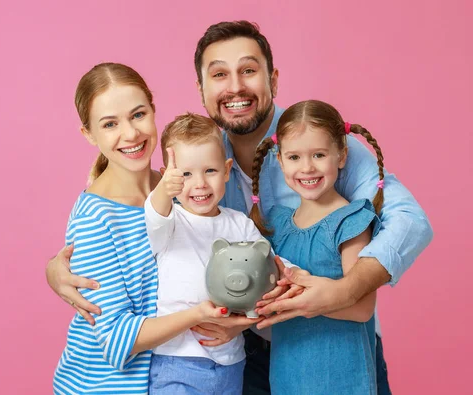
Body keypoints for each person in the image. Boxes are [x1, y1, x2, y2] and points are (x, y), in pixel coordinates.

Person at [47, 21, 433, 394]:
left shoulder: (315, 142)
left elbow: (408, 220)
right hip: (227, 357)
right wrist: (55, 269)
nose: (235, 87)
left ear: (273, 79)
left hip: (329, 350)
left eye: (248, 70)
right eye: (219, 75)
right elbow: (132, 238)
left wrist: (345, 291)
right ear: (200, 90)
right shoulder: (194, 166)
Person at [53, 62, 231, 395]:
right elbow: (117, 340)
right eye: (110, 124)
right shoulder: (96, 218)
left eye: (138, 115)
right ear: (89, 134)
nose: (131, 134)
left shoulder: (179, 187)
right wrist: (197, 315)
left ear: (153, 109)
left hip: (175, 379)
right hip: (106, 387)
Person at [146, 112, 290, 394]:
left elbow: (267, 263)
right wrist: (164, 191)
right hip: (176, 358)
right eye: (186, 174)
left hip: (230, 359)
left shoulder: (238, 222)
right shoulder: (169, 221)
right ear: (169, 178)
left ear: (226, 170)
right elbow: (155, 213)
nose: (199, 183)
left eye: (209, 171)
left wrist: (291, 271)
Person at [250, 99, 384, 393]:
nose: (307, 168)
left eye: (319, 154)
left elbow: (363, 308)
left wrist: (300, 301)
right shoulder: (278, 224)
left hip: (342, 378)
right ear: (280, 159)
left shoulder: (350, 221)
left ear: (341, 156)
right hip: (288, 377)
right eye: (295, 157)